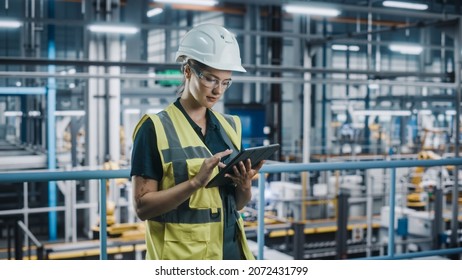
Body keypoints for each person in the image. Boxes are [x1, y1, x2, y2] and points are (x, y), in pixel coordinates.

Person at [130, 23, 264, 260]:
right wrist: (195, 183)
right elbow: (143, 208)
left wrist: (245, 185)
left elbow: (238, 205)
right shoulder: (154, 128)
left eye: (225, 82)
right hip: (184, 258)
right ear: (188, 71)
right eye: (211, 79)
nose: (218, 90)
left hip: (232, 253)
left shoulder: (230, 127)